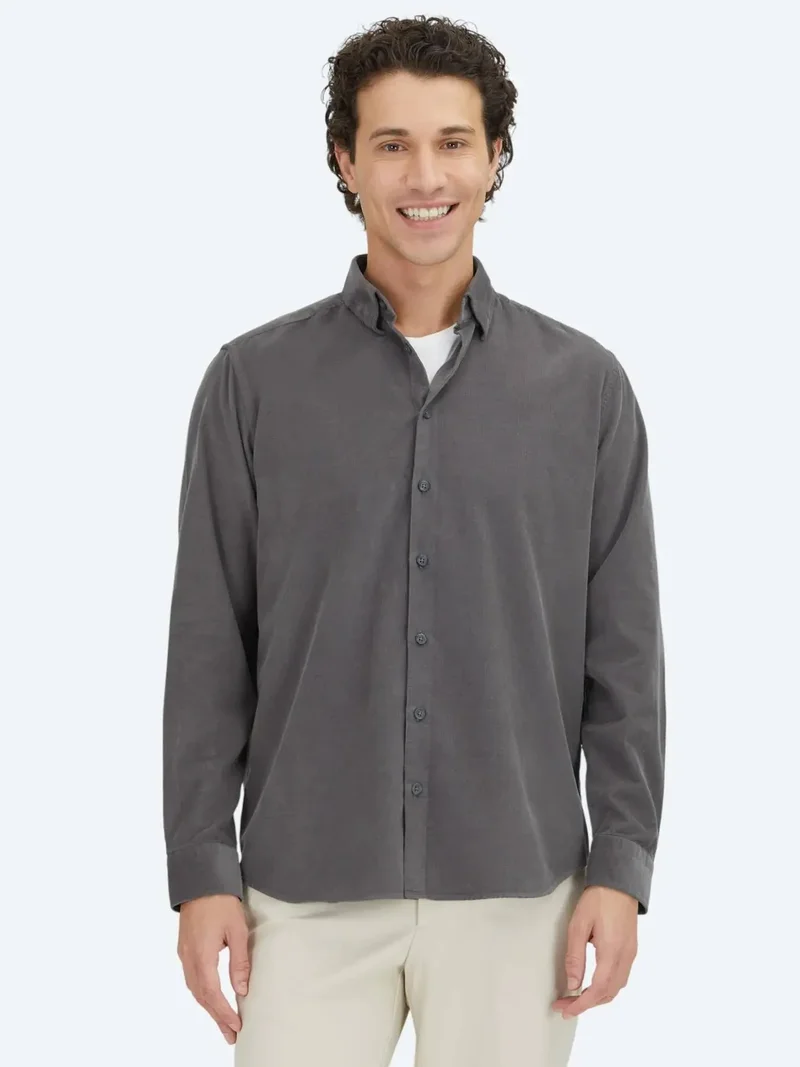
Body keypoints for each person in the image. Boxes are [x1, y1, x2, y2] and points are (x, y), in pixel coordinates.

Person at [162, 14, 666, 1066]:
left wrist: (619, 865)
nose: (424, 175)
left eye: (452, 142)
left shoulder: (584, 389)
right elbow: (210, 643)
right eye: (391, 143)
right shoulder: (252, 383)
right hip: (301, 893)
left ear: (494, 157)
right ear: (344, 161)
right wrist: (203, 868)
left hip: (519, 894)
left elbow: (622, 655)